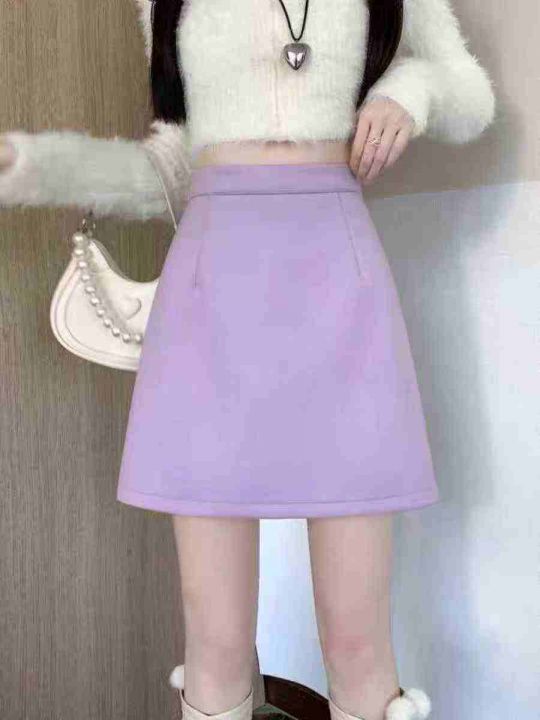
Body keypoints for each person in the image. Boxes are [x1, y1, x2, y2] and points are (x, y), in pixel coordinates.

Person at [0, 1, 495, 719]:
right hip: (212, 292)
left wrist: (407, 92)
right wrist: (39, 167)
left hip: (339, 286)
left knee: (359, 642)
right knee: (216, 641)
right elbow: (172, 162)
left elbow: (470, 94)